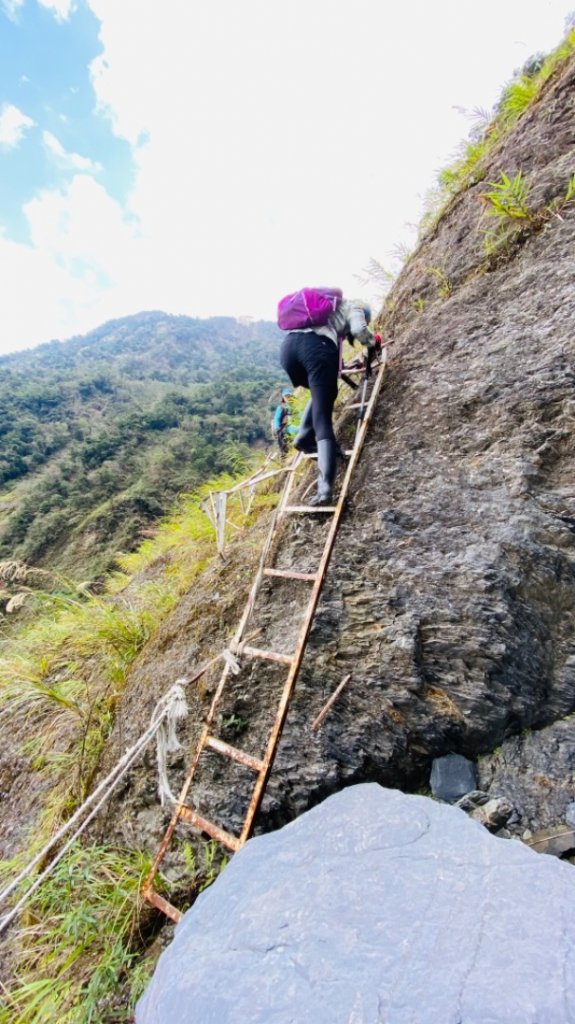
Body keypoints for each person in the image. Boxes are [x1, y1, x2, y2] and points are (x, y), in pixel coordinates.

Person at [279, 297, 375, 506]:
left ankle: (304, 439)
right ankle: (325, 491)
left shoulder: (324, 313)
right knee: (323, 420)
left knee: (321, 393)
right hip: (314, 349)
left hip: (288, 351)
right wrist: (372, 341)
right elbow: (359, 330)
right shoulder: (356, 306)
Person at [272, 388, 295, 456]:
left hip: (291, 428)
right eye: (286, 396)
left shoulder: (294, 407)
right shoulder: (281, 408)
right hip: (282, 430)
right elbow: (277, 420)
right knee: (284, 447)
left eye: (289, 396)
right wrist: (278, 430)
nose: (288, 398)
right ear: (283, 398)